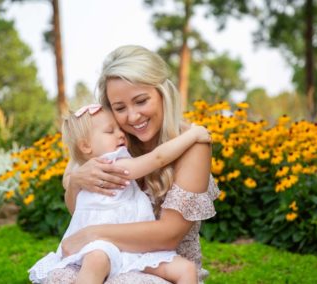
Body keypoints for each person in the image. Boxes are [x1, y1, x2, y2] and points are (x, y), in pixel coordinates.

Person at [47, 45, 220, 284]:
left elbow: (168, 236)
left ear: (162, 93)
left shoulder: (192, 143)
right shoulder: (112, 142)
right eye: (119, 108)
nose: (132, 117)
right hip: (107, 257)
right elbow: (83, 208)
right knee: (62, 276)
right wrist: (76, 182)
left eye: (141, 101)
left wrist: (90, 235)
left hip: (165, 265)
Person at [29, 103, 211, 284]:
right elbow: (158, 158)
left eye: (119, 129)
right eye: (110, 131)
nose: (121, 134)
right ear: (85, 146)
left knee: (186, 269)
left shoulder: (95, 167)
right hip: (104, 247)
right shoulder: (112, 166)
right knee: (96, 261)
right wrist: (192, 135)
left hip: (137, 248)